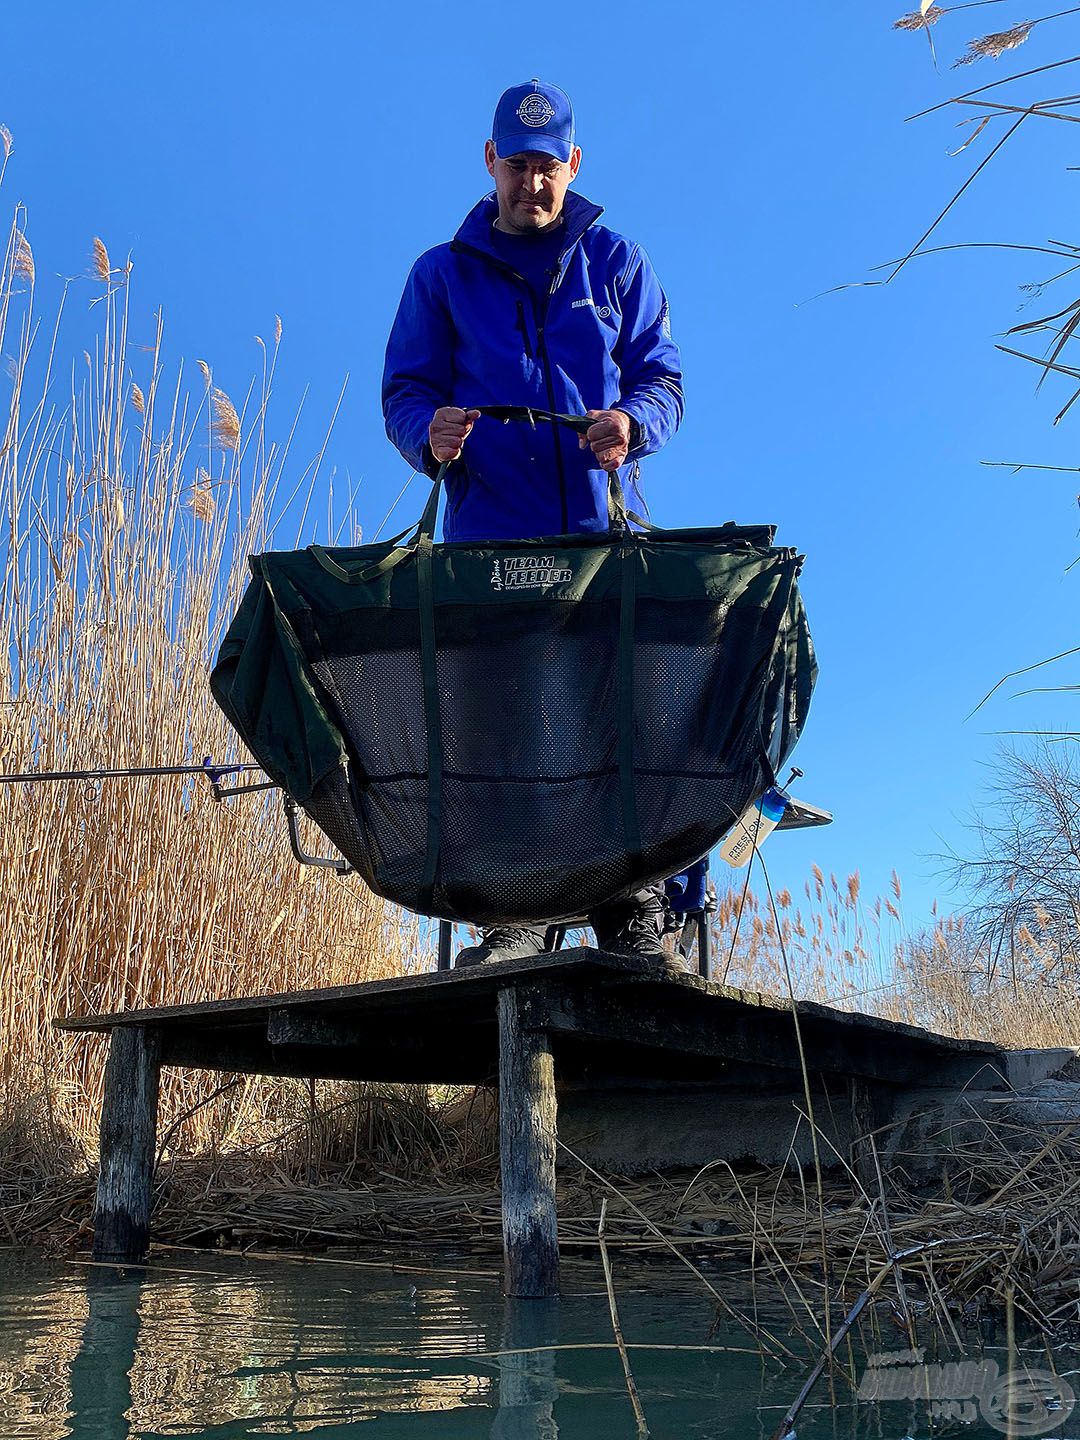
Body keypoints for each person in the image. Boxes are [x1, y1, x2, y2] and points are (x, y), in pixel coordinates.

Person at [382, 79, 684, 966]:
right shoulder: (438, 275)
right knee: (501, 733)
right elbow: (405, 392)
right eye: (517, 166)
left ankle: (630, 913)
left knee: (615, 720)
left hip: (601, 543)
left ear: (573, 165)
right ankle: (515, 918)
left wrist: (633, 421)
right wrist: (425, 432)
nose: (533, 184)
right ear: (490, 163)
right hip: (486, 548)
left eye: (549, 167)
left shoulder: (618, 261)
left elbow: (662, 378)